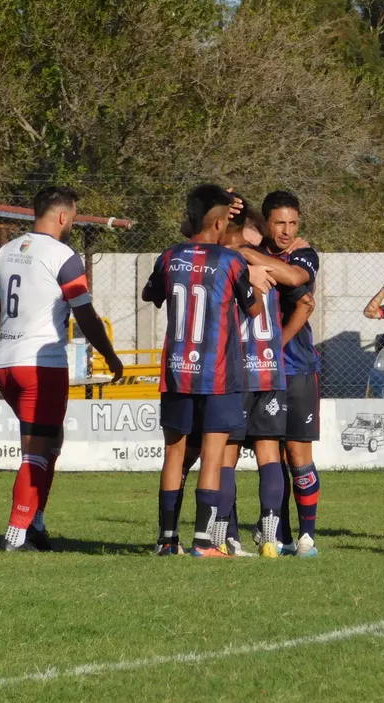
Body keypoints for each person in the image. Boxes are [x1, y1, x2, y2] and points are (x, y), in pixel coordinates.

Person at [0, 186, 122, 552]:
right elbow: (85, 314)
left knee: (51, 440)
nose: (71, 223)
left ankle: (36, 521)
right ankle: (16, 532)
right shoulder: (63, 256)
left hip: (6, 362)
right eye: (71, 217)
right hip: (40, 365)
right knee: (35, 452)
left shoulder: (5, 252)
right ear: (61, 216)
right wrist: (110, 355)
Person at [143, 184, 267, 557]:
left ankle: (167, 540)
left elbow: (152, 295)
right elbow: (254, 310)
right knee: (212, 457)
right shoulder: (231, 262)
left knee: (175, 455)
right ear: (219, 221)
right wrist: (257, 283)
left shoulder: (169, 257)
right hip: (217, 374)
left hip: (177, 371)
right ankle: (202, 542)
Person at [259, 190, 321, 557]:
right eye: (279, 222)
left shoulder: (305, 255)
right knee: (272, 457)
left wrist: (252, 255)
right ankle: (277, 534)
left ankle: (308, 536)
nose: (286, 230)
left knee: (298, 454)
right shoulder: (253, 251)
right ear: (266, 222)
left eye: (293, 223)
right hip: (261, 371)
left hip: (297, 366)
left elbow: (300, 290)